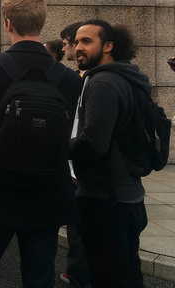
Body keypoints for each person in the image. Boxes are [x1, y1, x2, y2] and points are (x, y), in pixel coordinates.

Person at [0, 0, 82, 287]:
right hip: (46, 189)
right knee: (39, 276)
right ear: (42, 22)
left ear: (7, 23)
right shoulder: (68, 78)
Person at [69, 20, 150, 287]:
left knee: (109, 276)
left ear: (108, 46)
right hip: (125, 194)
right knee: (125, 273)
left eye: (86, 41)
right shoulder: (127, 76)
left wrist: (55, 149)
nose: (78, 47)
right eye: (77, 41)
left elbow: (94, 142)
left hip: (106, 200)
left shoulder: (103, 82)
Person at [58, 22, 91, 287]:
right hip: (77, 163)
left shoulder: (91, 81)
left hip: (81, 166)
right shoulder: (81, 78)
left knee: (80, 226)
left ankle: (80, 274)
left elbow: (85, 128)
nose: (69, 48)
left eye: (66, 43)